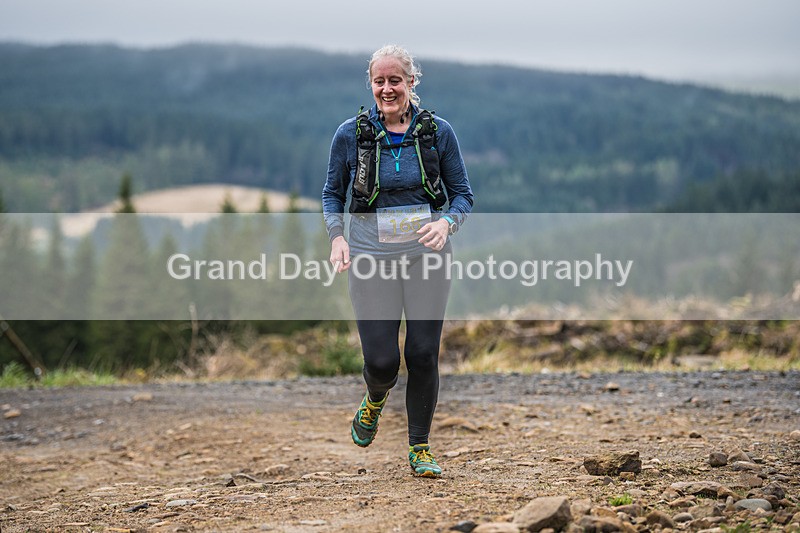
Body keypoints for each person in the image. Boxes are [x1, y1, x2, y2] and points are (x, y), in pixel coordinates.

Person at [322, 44, 473, 478]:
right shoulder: (349, 135)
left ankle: (420, 447)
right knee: (384, 362)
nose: (387, 89)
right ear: (371, 84)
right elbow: (333, 193)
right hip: (371, 257)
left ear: (411, 82)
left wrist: (447, 224)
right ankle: (374, 398)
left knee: (423, 354)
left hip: (427, 256)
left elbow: (463, 194)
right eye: (379, 81)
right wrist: (337, 238)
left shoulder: (438, 132)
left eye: (396, 80)